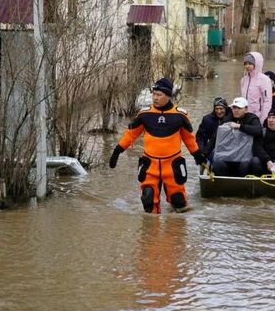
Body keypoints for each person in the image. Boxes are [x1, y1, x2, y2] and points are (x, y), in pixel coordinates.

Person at [109, 78, 207, 214]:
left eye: (159, 95)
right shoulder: (144, 114)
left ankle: (175, 231)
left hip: (172, 164)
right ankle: (151, 232)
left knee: (179, 202)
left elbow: (189, 139)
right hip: (150, 164)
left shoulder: (180, 115)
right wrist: (117, 151)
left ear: (168, 96)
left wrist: (198, 155)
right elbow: (130, 135)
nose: (155, 98)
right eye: (153, 94)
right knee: (148, 200)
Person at [211, 97, 262, 177]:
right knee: (217, 163)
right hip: (229, 156)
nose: (236, 110)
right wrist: (203, 154)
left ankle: (244, 184)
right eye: (234, 108)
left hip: (245, 157)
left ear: (246, 109)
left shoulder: (252, 118)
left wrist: (240, 126)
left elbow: (258, 130)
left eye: (239, 108)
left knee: (246, 164)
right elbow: (216, 137)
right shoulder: (228, 119)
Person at [240, 52, 272, 124]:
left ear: (257, 64)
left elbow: (267, 101)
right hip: (245, 116)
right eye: (245, 64)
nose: (247, 66)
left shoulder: (264, 79)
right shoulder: (243, 80)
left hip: (258, 117)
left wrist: (263, 119)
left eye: (250, 64)